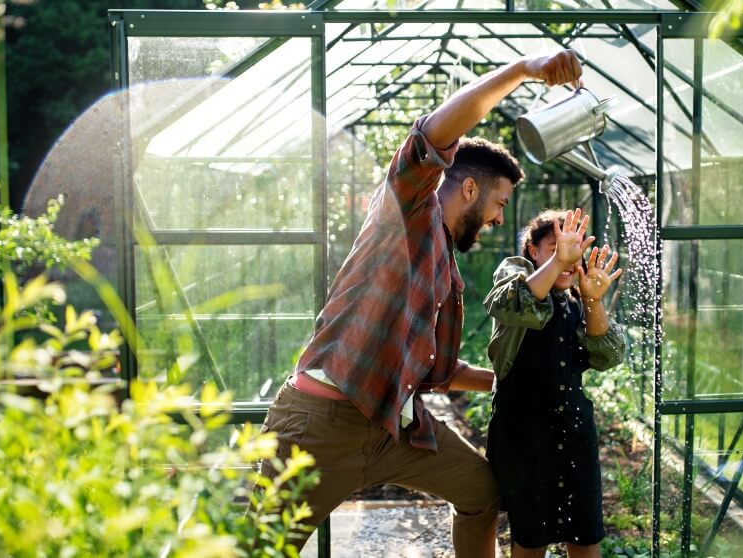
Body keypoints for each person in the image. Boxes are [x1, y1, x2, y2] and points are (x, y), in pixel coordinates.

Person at [258, 51, 584, 555]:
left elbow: (435, 370)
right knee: (260, 545)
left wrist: (522, 379)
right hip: (323, 423)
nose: (500, 220)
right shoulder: (408, 210)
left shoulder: (444, 266)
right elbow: (431, 136)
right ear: (469, 187)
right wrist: (523, 70)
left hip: (395, 426)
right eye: (498, 204)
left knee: (482, 493)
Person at [483, 209, 626, 558]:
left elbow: (608, 356)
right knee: (532, 538)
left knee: (585, 536)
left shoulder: (579, 297)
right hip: (524, 435)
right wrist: (558, 264)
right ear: (533, 251)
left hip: (574, 433)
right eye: (556, 248)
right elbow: (513, 305)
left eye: (574, 251)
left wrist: (593, 299)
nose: (567, 260)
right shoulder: (516, 274)